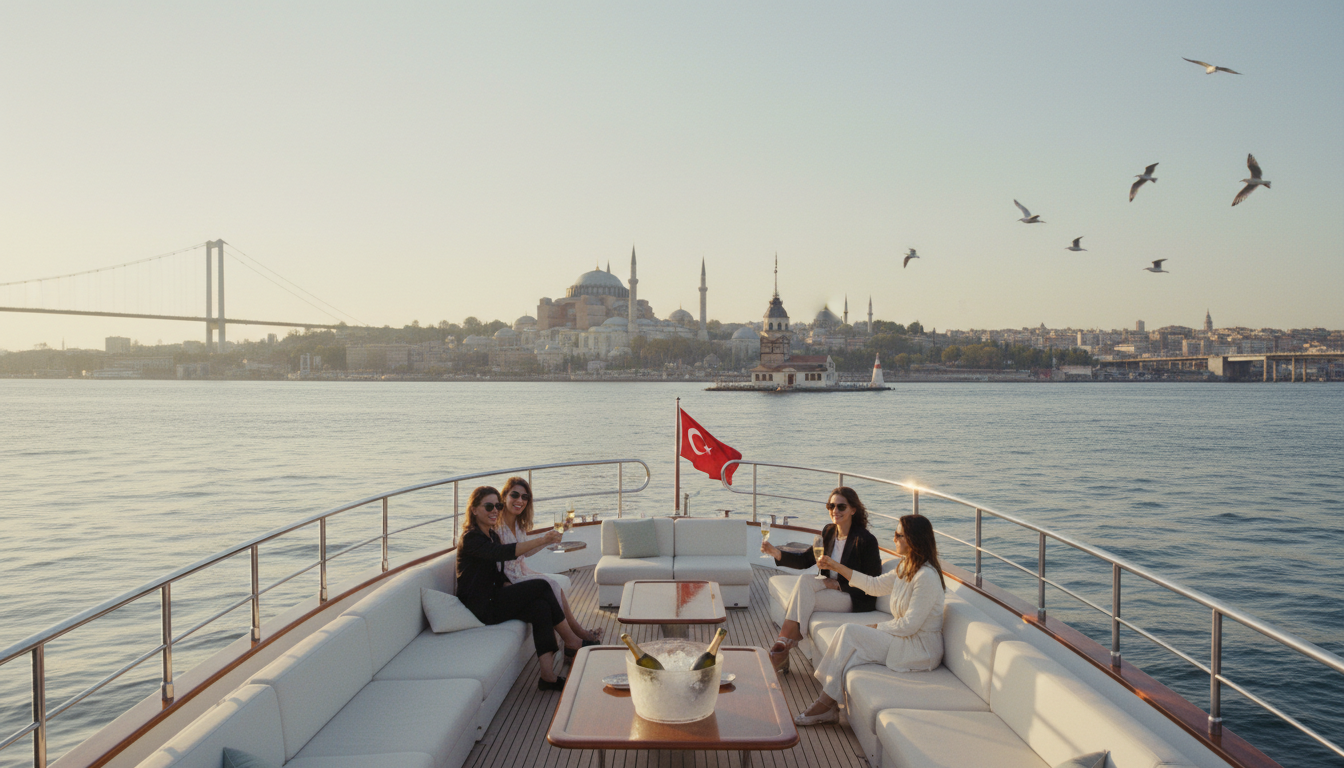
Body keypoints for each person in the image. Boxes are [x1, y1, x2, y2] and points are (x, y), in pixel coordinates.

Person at [792, 514, 947, 725]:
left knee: (849, 632)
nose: (894, 538)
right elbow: (874, 585)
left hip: (920, 649)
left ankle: (824, 705)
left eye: (899, 535)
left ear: (914, 540)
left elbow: (910, 625)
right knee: (851, 647)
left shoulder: (926, 576)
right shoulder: (905, 567)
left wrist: (877, 627)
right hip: (903, 638)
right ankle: (828, 704)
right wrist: (836, 567)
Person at [455, 485, 587, 691]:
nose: (494, 511)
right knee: (542, 585)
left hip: (495, 597)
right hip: (481, 607)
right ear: (474, 510)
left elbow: (497, 571)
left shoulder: (491, 535)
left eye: (497, 506)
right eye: (488, 506)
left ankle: (547, 677)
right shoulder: (471, 538)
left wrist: (512, 588)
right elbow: (503, 553)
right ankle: (572, 640)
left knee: (541, 607)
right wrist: (543, 539)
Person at [760, 487, 883, 673]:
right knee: (805, 581)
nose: (835, 511)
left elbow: (872, 582)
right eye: (831, 506)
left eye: (841, 506)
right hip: (829, 589)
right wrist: (776, 553)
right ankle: (784, 644)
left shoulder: (865, 540)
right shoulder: (829, 532)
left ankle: (782, 644)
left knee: (804, 596)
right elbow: (805, 560)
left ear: (853, 510)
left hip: (854, 597)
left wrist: (840, 585)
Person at [495, 476, 602, 650]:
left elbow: (525, 552)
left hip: (521, 571)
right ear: (504, 496)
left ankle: (576, 636)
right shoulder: (496, 526)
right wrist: (544, 540)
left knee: (555, 586)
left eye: (524, 497)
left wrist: (548, 540)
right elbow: (508, 554)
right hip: (509, 578)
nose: (520, 500)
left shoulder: (518, 524)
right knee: (551, 584)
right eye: (515, 495)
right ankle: (577, 636)